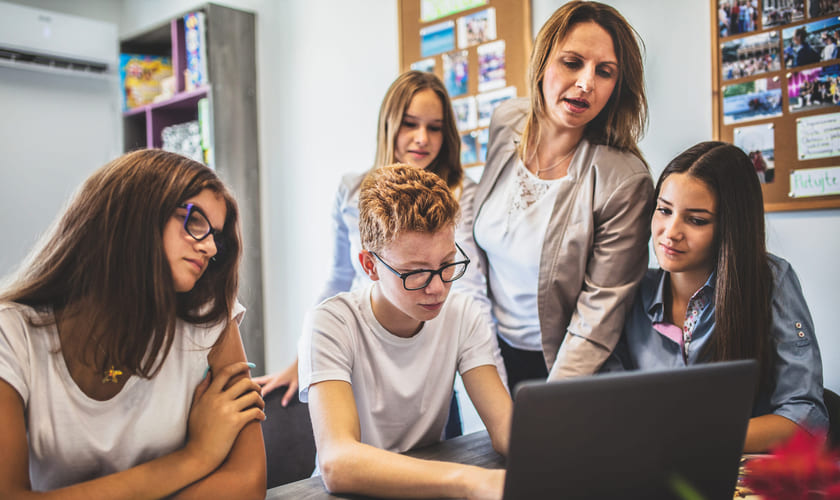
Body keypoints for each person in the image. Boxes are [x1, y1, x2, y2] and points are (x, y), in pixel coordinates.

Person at [0, 149, 266, 498]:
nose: (211, 248)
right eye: (195, 221)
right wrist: (195, 457)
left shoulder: (209, 317)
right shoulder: (12, 333)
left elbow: (248, 482)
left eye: (216, 235)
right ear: (133, 216)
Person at [255, 70, 495, 407]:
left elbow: (469, 289)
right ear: (389, 125)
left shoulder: (461, 193)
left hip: (427, 345)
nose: (422, 138)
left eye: (435, 127)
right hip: (362, 346)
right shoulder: (351, 189)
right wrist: (304, 358)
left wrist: (490, 371)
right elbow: (338, 278)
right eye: (410, 124)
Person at [472, 1, 654, 391]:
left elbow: (599, 315)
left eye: (604, 72)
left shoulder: (624, 180)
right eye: (572, 62)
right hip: (492, 353)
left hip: (570, 370)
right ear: (542, 63)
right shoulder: (506, 122)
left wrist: (551, 406)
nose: (587, 82)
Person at [299, 165, 511, 499]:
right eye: (416, 274)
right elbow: (337, 462)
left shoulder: (462, 313)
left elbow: (504, 429)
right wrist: (468, 481)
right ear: (370, 266)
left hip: (425, 485)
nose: (438, 288)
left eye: (447, 264)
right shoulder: (331, 323)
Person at [611, 141, 828, 453]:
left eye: (696, 220)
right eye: (664, 210)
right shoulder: (632, 287)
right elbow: (610, 403)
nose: (670, 232)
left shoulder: (771, 281)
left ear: (731, 226)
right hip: (652, 468)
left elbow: (807, 419)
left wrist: (698, 438)